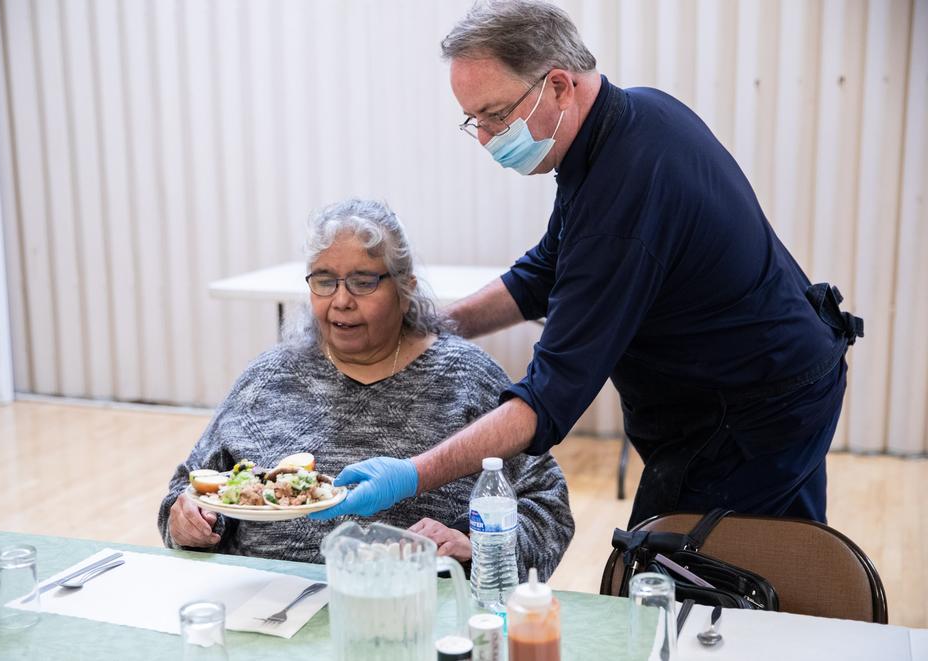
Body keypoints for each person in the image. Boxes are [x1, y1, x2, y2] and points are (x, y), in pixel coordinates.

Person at [312, 0, 863, 529]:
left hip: (749, 412)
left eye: (495, 115)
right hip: (784, 372)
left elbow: (548, 401)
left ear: (557, 84)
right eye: (472, 120)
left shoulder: (623, 199)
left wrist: (409, 476)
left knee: (680, 579)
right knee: (783, 562)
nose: (484, 138)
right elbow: (543, 272)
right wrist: (429, 325)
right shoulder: (628, 119)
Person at [158, 198, 573, 580]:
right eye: (324, 281)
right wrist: (186, 524)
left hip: (415, 615)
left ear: (405, 287)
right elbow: (188, 490)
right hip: (268, 613)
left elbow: (548, 506)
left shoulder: (467, 378)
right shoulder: (267, 378)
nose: (341, 301)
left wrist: (479, 548)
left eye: (362, 282)